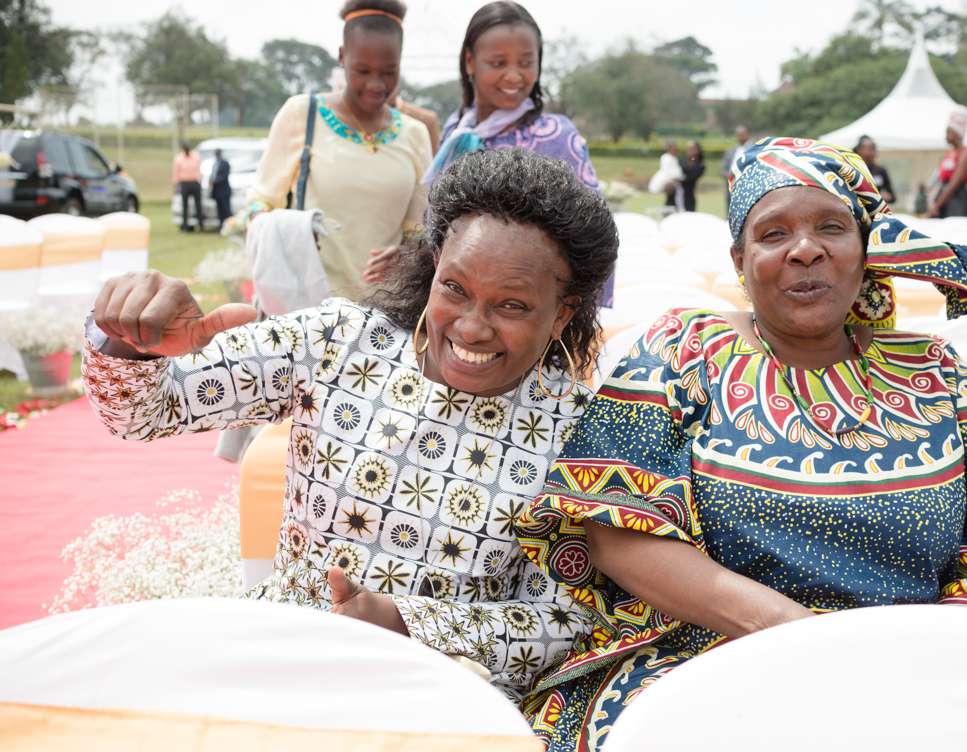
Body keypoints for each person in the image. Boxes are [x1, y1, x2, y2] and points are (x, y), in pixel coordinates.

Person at [514, 139, 967, 751]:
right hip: (703, 669)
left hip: (905, 679)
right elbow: (613, 530)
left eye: (831, 226)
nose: (805, 249)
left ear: (862, 246)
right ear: (740, 261)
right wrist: (803, 639)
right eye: (773, 233)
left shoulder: (936, 370)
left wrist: (920, 673)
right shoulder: (684, 351)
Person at [81, 147, 618, 703]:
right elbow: (142, 412)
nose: (471, 327)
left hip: (442, 696)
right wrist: (130, 338)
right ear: (435, 265)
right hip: (278, 661)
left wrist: (404, 621)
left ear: (561, 312)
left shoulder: (577, 433)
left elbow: (563, 621)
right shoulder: (339, 340)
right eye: (455, 288)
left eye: (511, 306)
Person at [246, 0, 431, 296]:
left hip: (383, 317)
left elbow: (420, 230)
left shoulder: (415, 134)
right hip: (308, 311)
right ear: (342, 57)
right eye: (362, 70)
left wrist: (407, 255)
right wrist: (287, 233)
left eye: (389, 71)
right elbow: (260, 200)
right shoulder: (301, 114)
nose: (376, 83)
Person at [422, 0, 599, 193]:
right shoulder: (456, 130)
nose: (513, 77)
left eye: (526, 62)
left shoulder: (556, 138)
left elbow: (592, 218)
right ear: (470, 61)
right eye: (498, 63)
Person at [928, 105, 967, 218]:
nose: (946, 137)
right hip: (941, 197)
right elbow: (940, 179)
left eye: (949, 133)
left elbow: (954, 184)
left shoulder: (965, 154)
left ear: (957, 134)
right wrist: (932, 201)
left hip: (956, 199)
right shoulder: (948, 154)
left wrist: (938, 204)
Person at [853, 135, 895, 203]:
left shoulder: (880, 171)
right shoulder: (852, 170)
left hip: (876, 212)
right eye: (870, 149)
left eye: (875, 149)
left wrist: (885, 197)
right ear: (859, 150)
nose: (874, 153)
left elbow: (893, 197)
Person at [173, 141, 203, 232]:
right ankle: (185, 227)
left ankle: (201, 227)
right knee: (184, 206)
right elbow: (176, 173)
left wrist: (200, 179)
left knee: (198, 206)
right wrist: (175, 186)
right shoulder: (179, 158)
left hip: (195, 183)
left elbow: (200, 169)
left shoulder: (196, 156)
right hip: (184, 184)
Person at [720, 125, 752, 210]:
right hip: (731, 188)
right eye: (738, 134)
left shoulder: (754, 150)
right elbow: (723, 170)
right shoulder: (730, 151)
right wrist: (732, 177)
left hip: (747, 188)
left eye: (742, 134)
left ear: (748, 134)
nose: (739, 136)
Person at [649, 139, 684, 211]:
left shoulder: (674, 158)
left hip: (674, 183)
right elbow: (667, 172)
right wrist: (672, 181)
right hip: (669, 182)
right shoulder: (666, 157)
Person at [680, 140, 705, 212]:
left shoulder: (700, 166)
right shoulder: (681, 161)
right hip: (675, 194)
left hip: (688, 195)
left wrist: (679, 181)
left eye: (693, 149)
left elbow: (690, 178)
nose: (690, 151)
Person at [210, 148, 232, 228]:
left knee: (226, 209)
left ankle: (228, 226)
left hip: (223, 190)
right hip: (217, 191)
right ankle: (221, 226)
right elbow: (213, 174)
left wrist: (214, 181)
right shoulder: (215, 163)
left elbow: (224, 176)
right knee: (219, 210)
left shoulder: (225, 163)